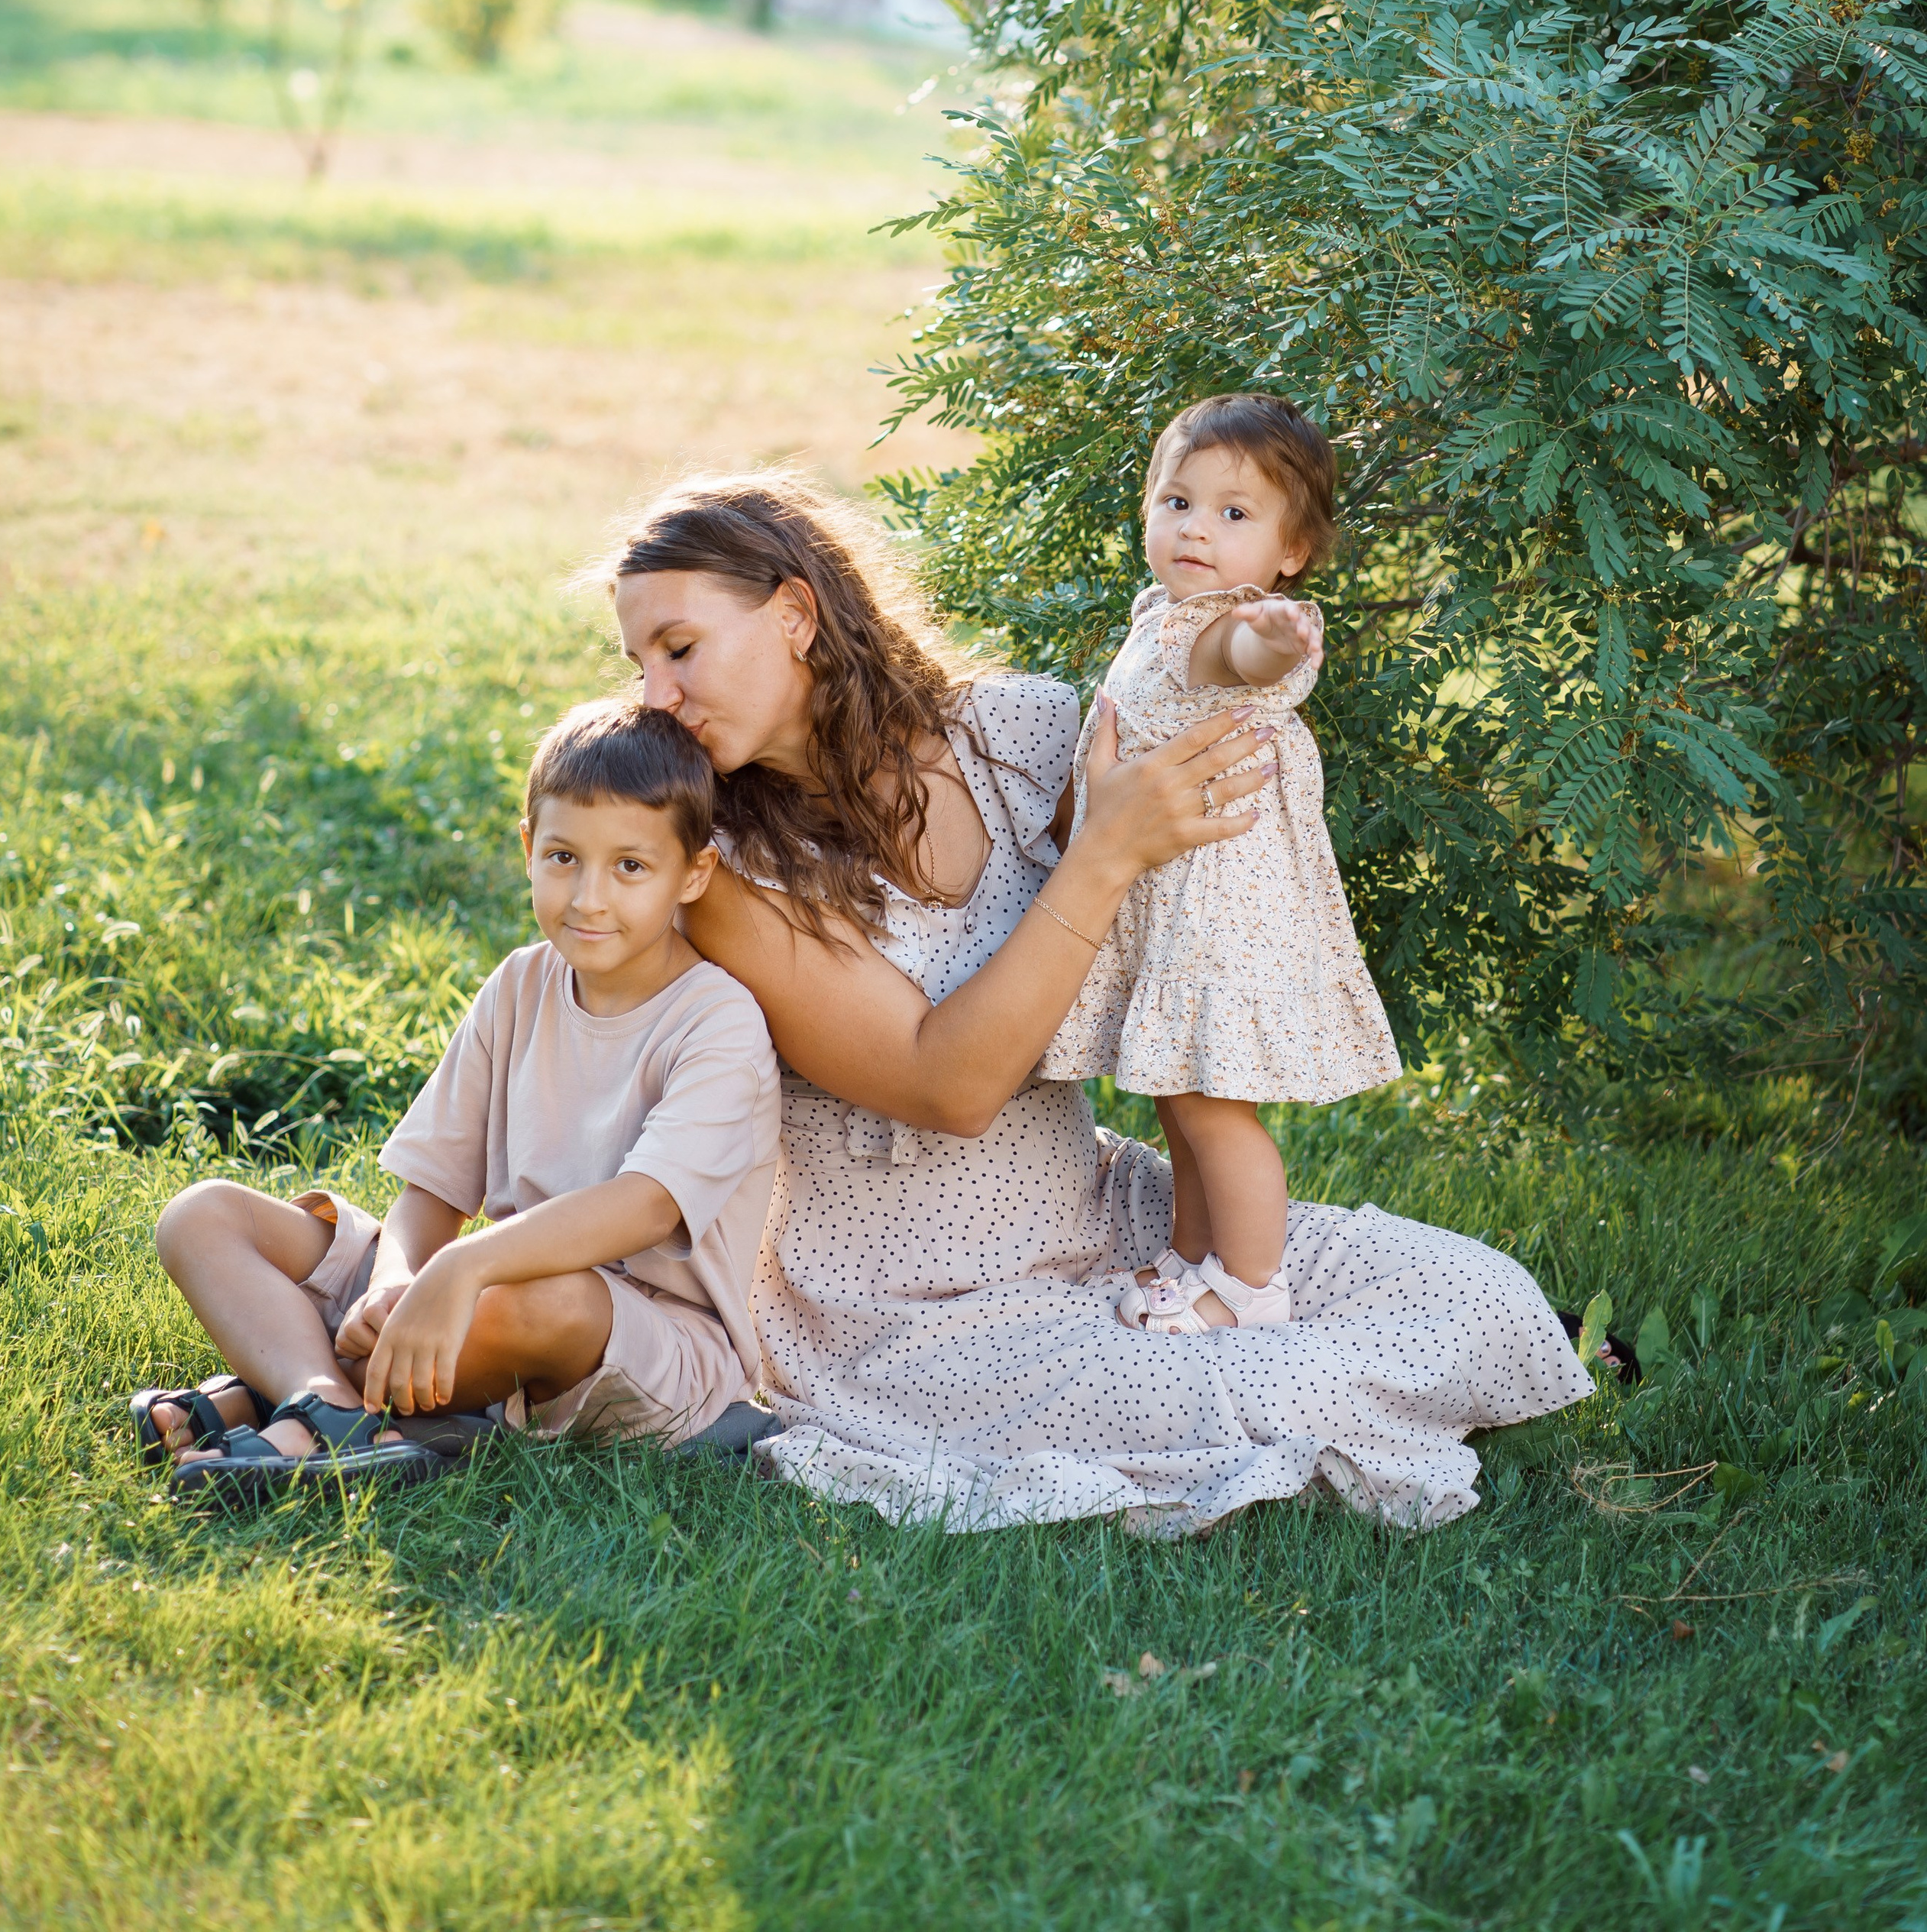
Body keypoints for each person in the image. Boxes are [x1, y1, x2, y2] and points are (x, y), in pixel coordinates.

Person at [608, 471, 1591, 1539]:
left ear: (796, 614)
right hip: (915, 1312)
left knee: (1480, 1293)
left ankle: (1292, 1356)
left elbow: (1189, 850)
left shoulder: (1015, 732)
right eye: (641, 664)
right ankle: (1276, 1385)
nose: (657, 694)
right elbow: (950, 1084)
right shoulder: (729, 878)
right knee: (1253, 1388)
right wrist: (1103, 853)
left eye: (679, 647)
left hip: (1112, 1217)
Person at [133, 701, 781, 1503]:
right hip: (473, 1286)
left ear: (694, 873)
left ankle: (282, 1394)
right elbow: (435, 1188)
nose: (588, 898)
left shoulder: (717, 1021)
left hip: (637, 1340)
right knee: (202, 1214)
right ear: (527, 847)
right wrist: (397, 1278)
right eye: (562, 857)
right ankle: (329, 1406)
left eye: (631, 867)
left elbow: (645, 1206)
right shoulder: (519, 984)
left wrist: (465, 1268)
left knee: (540, 1301)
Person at [1038, 393, 1402, 1334]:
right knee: (1175, 1091)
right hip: (1172, 904)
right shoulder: (1164, 612)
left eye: (1234, 514)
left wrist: (1274, 637)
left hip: (1216, 915)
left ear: (1290, 554)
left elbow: (1244, 654)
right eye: (1178, 501)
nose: (1197, 527)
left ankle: (1248, 1287)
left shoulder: (1224, 626)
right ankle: (1192, 1259)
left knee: (1211, 1107)